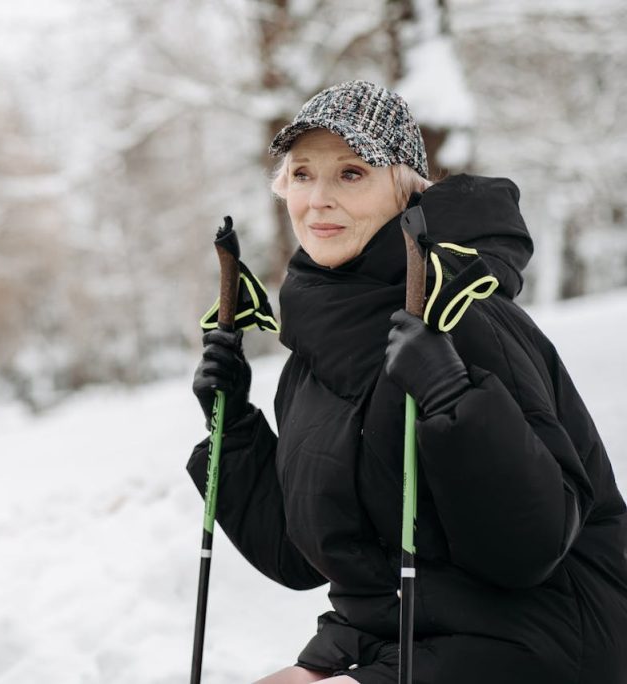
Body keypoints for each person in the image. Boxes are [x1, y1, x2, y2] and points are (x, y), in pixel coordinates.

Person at [189, 80, 627, 684]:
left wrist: (454, 401)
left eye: (351, 174)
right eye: (302, 175)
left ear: (404, 191)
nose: (317, 200)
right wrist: (233, 426)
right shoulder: (310, 355)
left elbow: (529, 549)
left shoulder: (465, 317)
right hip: (383, 631)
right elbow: (300, 558)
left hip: (538, 629)